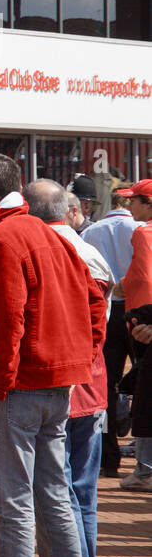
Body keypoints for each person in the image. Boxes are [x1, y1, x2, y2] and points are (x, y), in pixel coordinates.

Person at [0, 153, 102, 557]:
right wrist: (80, 355)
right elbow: (96, 298)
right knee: (53, 499)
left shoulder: (6, 238)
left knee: (11, 509)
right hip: (52, 384)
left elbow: (10, 319)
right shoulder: (47, 233)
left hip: (20, 387)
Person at [23, 178, 110, 557]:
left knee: (60, 498)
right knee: (81, 498)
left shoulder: (46, 251)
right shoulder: (87, 251)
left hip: (59, 385)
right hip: (88, 387)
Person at [82, 189, 141, 477]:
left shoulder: (92, 231)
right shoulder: (139, 228)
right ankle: (142, 456)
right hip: (136, 309)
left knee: (105, 384)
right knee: (142, 380)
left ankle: (108, 459)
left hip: (106, 311)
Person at [114, 180, 152, 489]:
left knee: (143, 395)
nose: (129, 206)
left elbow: (144, 276)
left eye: (134, 201)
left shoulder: (143, 232)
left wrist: (123, 286)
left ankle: (146, 469)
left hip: (144, 324)